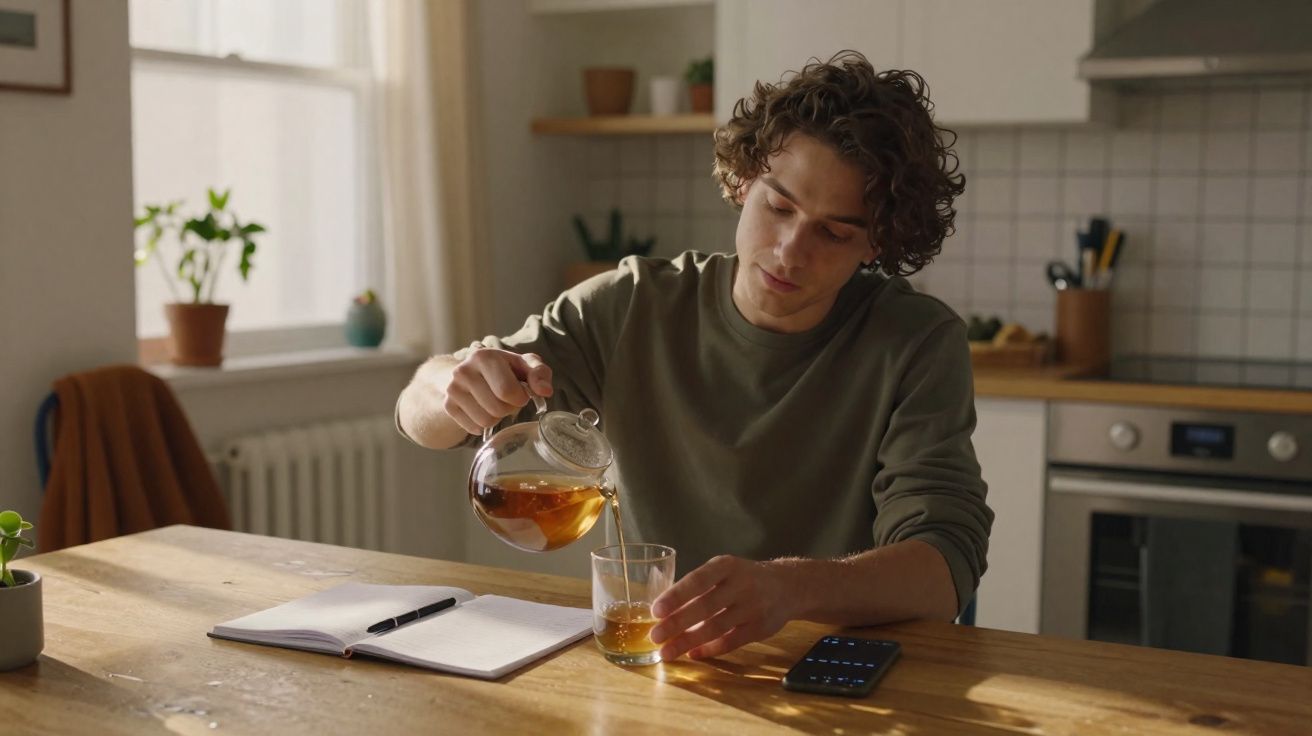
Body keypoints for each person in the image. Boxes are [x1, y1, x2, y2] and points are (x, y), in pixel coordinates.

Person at [396, 50, 993, 662]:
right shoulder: (630, 304)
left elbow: (943, 567)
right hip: (661, 654)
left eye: (834, 233)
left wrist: (790, 589)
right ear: (742, 183)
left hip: (833, 667)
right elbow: (420, 418)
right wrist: (451, 382)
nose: (790, 251)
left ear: (876, 244)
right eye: (779, 207)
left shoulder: (916, 340)